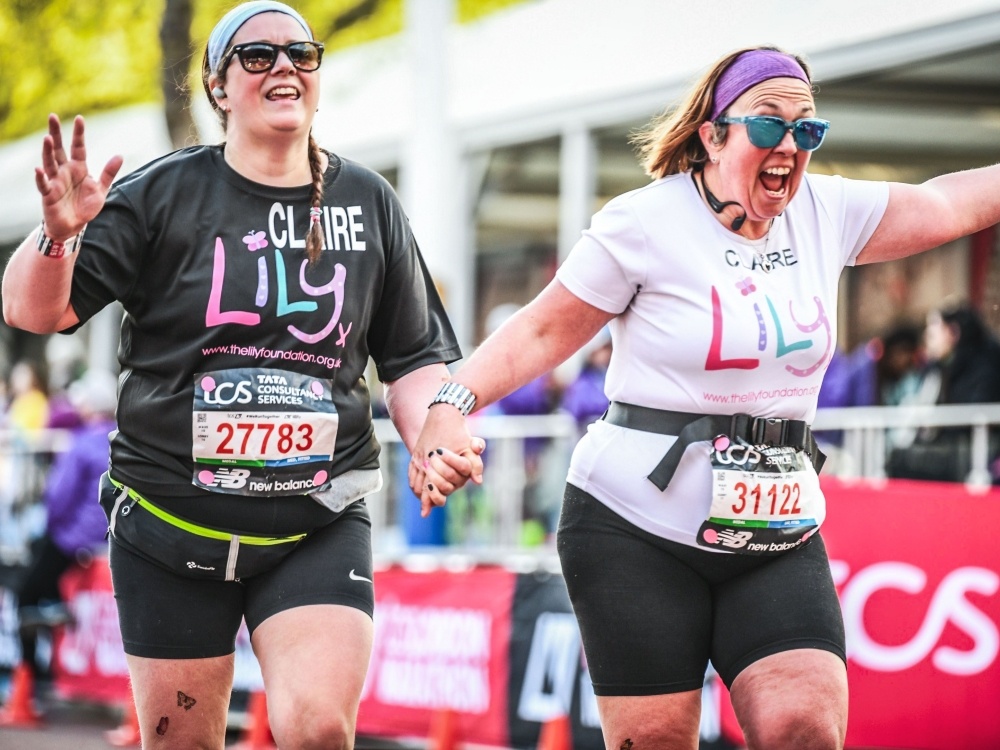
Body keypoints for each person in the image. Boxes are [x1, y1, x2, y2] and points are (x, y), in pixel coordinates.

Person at [408, 45, 1000, 749]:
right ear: (713, 135)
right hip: (634, 528)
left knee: (804, 727)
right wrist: (449, 404)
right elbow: (538, 331)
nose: (790, 145)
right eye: (769, 125)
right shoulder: (642, 222)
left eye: (807, 130)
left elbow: (942, 203)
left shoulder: (826, 210)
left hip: (776, 530)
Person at [1, 2, 479, 747]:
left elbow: (413, 357)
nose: (284, 66)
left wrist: (437, 430)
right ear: (219, 87)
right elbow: (32, 312)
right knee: (182, 741)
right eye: (258, 56)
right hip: (168, 524)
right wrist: (57, 236)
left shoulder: (368, 201)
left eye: (302, 54)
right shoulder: (162, 194)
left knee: (318, 728)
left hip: (314, 521)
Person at [16, 369, 118, 692]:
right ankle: (54, 604)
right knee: (43, 579)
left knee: (25, 593)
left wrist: (47, 524)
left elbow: (58, 499)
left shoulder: (81, 441)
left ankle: (30, 676)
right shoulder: (124, 438)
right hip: (114, 534)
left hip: (74, 537)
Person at [888, 301, 1000, 482]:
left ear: (953, 333)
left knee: (900, 460)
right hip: (954, 449)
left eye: (932, 333)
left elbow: (968, 421)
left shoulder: (985, 364)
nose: (926, 338)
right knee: (899, 457)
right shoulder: (937, 370)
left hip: (975, 453)